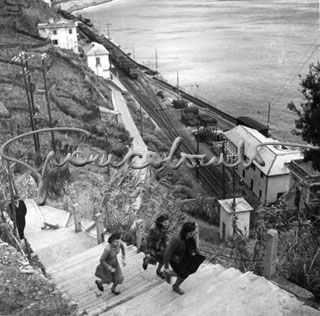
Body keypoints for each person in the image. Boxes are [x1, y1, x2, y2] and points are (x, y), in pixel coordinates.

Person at [163, 221, 205, 295]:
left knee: (192, 266)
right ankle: (175, 286)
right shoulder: (176, 240)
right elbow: (167, 253)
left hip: (185, 255)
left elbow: (194, 248)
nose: (193, 235)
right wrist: (166, 266)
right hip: (176, 259)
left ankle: (171, 273)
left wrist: (200, 254)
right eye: (191, 233)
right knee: (184, 274)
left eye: (194, 233)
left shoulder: (190, 237)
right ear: (185, 232)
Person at [142, 214, 169, 279]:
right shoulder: (153, 229)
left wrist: (166, 242)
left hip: (159, 245)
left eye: (168, 222)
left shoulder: (165, 227)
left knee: (163, 259)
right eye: (165, 222)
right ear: (160, 222)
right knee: (152, 259)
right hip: (151, 246)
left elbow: (164, 235)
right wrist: (147, 253)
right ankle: (146, 260)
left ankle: (158, 271)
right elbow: (148, 240)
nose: (167, 224)